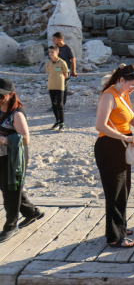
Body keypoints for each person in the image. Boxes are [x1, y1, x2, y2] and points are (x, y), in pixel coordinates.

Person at [95, 64, 134, 248]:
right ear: (122, 80)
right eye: (132, 85)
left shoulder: (122, 94)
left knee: (124, 189)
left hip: (121, 145)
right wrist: (124, 137)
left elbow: (128, 114)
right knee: (115, 191)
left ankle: (119, 227)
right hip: (109, 146)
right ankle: (114, 237)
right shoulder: (109, 96)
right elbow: (100, 126)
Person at [0, 79, 44, 242]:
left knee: (11, 189)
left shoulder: (17, 114)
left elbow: (25, 139)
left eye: (1, 95)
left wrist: (2, 140)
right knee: (8, 187)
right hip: (1, 156)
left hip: (14, 157)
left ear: (11, 95)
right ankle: (32, 212)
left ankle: (11, 225)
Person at [45, 45, 68, 131]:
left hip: (59, 86)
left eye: (52, 52)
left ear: (57, 52)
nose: (50, 53)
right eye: (49, 52)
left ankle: (62, 123)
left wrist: (60, 82)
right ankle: (57, 121)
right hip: (51, 86)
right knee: (53, 105)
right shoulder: (48, 63)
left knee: (60, 105)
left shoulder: (62, 62)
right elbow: (48, 72)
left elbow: (66, 75)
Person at [51, 32, 76, 108]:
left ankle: (62, 105)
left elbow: (73, 60)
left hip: (65, 70)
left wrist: (73, 71)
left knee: (63, 88)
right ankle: (55, 105)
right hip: (56, 70)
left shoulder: (67, 48)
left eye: (54, 39)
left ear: (60, 39)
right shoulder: (54, 48)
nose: (53, 40)